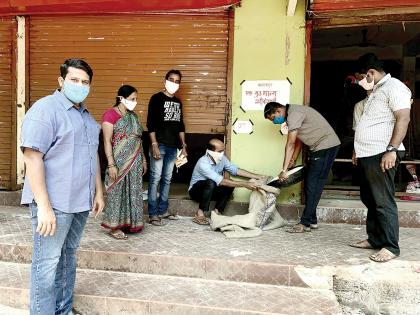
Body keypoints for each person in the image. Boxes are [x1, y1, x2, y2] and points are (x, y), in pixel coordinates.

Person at [21, 59, 104, 315]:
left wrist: (98, 191)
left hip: (80, 202)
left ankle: (63, 309)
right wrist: (44, 207)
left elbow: (93, 157)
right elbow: (32, 157)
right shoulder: (46, 110)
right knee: (46, 264)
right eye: (74, 80)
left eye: (85, 82)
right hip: (54, 204)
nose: (80, 86)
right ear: (61, 81)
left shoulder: (86, 117)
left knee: (68, 258)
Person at [350, 53, 411, 262]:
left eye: (360, 78)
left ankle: (391, 246)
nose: (359, 83)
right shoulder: (377, 90)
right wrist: (358, 150)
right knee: (370, 199)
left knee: (383, 201)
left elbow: (403, 118)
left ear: (370, 73)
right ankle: (375, 239)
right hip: (368, 153)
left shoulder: (395, 87)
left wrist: (392, 149)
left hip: (382, 152)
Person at [264, 102, 340, 233]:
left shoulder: (294, 114)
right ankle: (312, 220)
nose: (275, 122)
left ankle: (305, 223)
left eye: (273, 119)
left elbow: (290, 143)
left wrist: (284, 170)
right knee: (310, 185)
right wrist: (293, 159)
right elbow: (299, 140)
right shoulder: (292, 115)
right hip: (321, 148)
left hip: (326, 147)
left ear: (278, 111)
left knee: (313, 185)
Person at [101, 85, 147, 239]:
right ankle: (114, 227)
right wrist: (111, 164)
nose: (135, 102)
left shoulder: (133, 117)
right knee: (117, 192)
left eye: (136, 99)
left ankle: (129, 223)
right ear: (121, 98)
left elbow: (138, 140)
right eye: (132, 99)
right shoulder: (110, 115)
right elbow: (107, 141)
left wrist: (144, 160)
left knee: (132, 192)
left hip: (135, 161)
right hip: (118, 162)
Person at [188, 138, 264, 225]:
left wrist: (258, 177)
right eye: (220, 151)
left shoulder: (222, 159)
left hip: (210, 191)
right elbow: (221, 181)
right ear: (211, 152)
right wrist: (245, 184)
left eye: (223, 151)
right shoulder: (203, 163)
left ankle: (217, 212)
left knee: (230, 183)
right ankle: (199, 213)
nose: (222, 153)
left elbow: (235, 170)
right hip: (196, 192)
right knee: (211, 182)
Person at [147, 70, 187, 226]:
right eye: (172, 80)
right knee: (155, 179)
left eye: (177, 81)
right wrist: (154, 145)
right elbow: (150, 123)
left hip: (173, 147)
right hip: (160, 145)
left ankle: (163, 210)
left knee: (167, 179)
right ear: (165, 81)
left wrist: (183, 145)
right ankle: (152, 213)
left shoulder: (178, 102)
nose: (174, 83)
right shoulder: (156, 99)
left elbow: (180, 125)